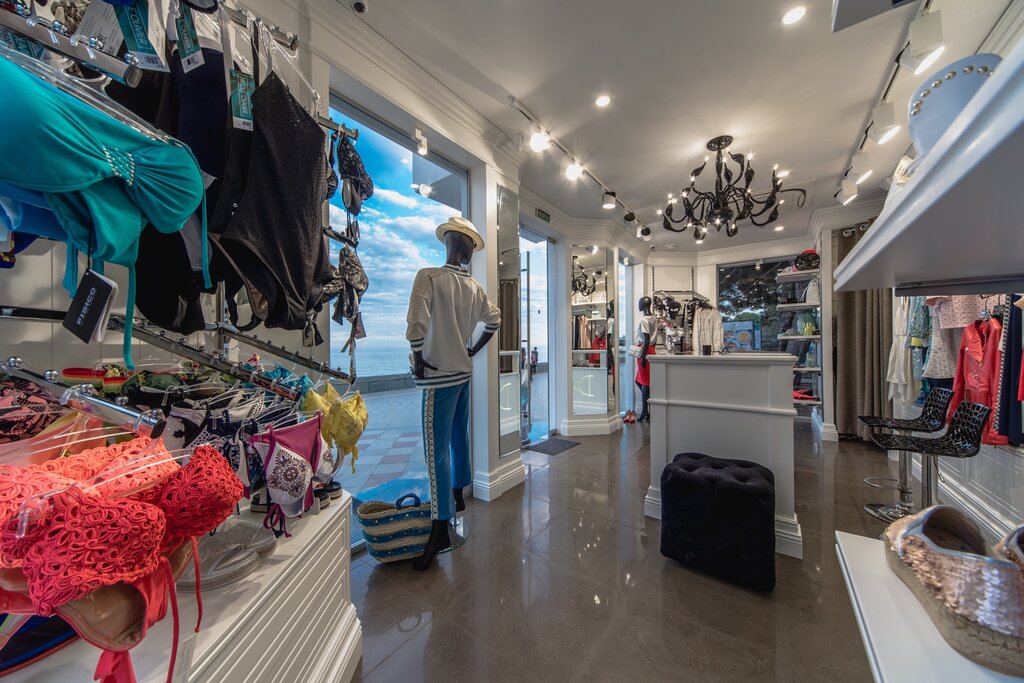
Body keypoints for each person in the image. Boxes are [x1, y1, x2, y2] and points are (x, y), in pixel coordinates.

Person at [406, 217, 500, 570]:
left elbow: (416, 322)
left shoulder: (429, 277)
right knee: (459, 437)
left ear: (448, 242)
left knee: (435, 451)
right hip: (463, 374)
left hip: (439, 376)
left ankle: (440, 524)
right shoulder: (474, 287)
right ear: (468, 249)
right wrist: (472, 349)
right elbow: (494, 320)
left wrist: (418, 357)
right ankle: (458, 494)